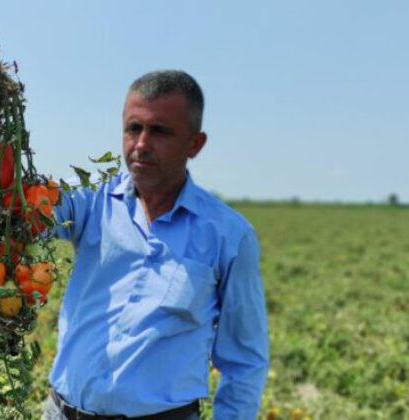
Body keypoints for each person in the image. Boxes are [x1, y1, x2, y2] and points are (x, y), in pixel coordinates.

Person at [43, 70, 269, 419]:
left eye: (159, 131)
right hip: (62, 412)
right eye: (133, 128)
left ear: (195, 144)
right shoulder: (91, 198)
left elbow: (244, 361)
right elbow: (28, 212)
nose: (141, 144)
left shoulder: (228, 236)